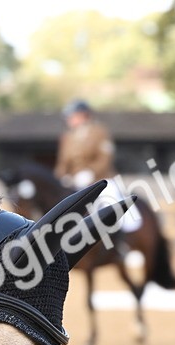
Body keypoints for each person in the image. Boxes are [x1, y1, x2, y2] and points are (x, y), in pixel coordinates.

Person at [54, 99, 142, 243]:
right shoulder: (67, 137)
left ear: (83, 115)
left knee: (110, 204)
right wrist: (60, 178)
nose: (69, 120)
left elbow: (105, 158)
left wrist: (90, 173)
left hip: (100, 180)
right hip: (74, 183)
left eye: (72, 116)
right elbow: (62, 163)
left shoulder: (99, 132)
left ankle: (122, 244)